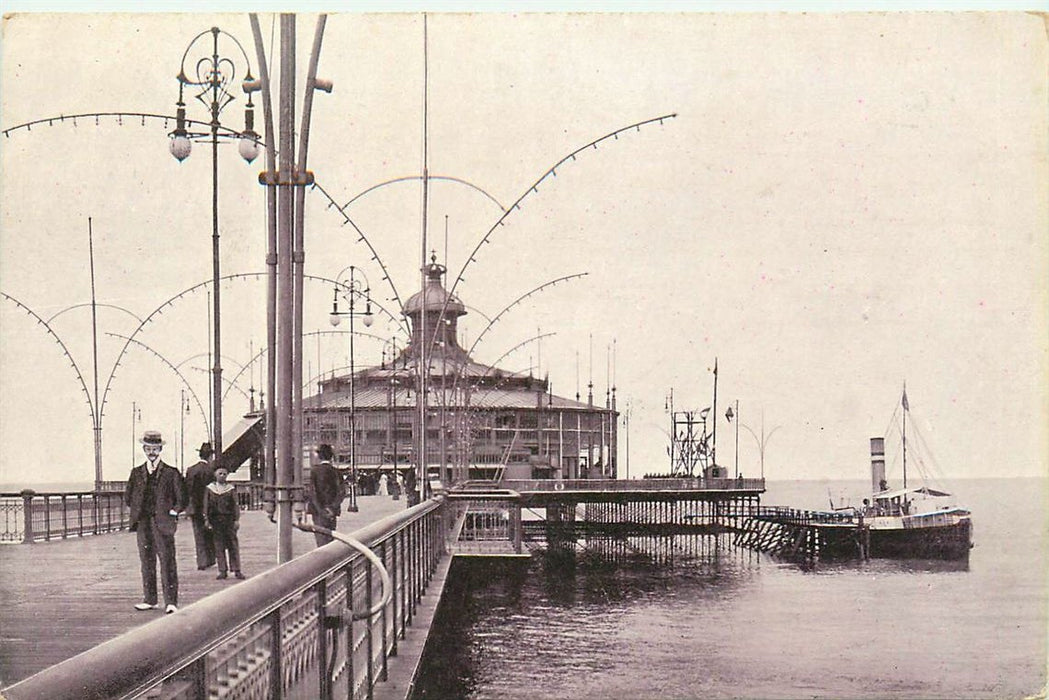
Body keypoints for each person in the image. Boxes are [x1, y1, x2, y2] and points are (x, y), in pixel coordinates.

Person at [125, 430, 185, 614]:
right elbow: (129, 497)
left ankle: (171, 602)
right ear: (144, 449)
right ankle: (149, 599)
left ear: (160, 449)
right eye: (148, 448)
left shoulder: (171, 472)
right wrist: (137, 511)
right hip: (143, 522)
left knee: (167, 560)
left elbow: (182, 498)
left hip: (163, 522)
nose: (151, 452)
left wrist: (173, 511)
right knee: (146, 561)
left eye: (155, 448)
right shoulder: (136, 473)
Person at [203, 466, 244, 580]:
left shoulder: (230, 489)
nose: (222, 476)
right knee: (218, 545)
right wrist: (206, 519)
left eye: (224, 474)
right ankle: (222, 570)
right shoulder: (210, 489)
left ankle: (236, 569)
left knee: (233, 544)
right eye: (220, 473)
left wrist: (236, 520)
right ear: (215, 475)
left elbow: (235, 505)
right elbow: (206, 505)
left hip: (229, 520)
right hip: (216, 520)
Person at [183, 442, 216, 570]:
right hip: (208, 506)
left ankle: (201, 561)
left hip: (194, 507)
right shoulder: (211, 470)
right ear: (210, 456)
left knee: (198, 534)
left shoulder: (191, 470)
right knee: (210, 532)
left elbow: (187, 489)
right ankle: (211, 559)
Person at [307, 443, 342, 547]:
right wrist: (332, 508)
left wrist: (320, 510)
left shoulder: (315, 471)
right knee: (330, 535)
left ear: (319, 456)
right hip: (332, 511)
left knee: (320, 538)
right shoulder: (336, 472)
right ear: (331, 456)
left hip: (318, 511)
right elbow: (341, 492)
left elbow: (313, 492)